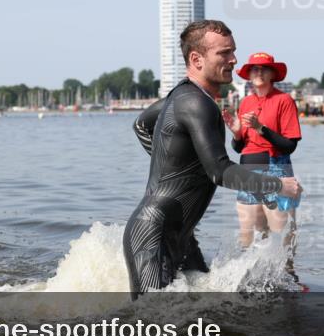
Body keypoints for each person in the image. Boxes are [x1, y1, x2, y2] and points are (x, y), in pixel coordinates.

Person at [123, 21, 302, 299]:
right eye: (224, 53)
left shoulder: (185, 97)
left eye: (233, 52)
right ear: (196, 59)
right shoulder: (194, 102)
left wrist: (179, 165)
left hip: (181, 236)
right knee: (153, 330)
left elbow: (141, 126)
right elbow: (219, 170)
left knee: (205, 319)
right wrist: (277, 186)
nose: (233, 60)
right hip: (153, 234)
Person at [224, 52, 302, 249]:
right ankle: (253, 279)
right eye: (254, 69)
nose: (258, 72)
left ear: (272, 74)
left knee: (282, 238)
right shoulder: (245, 103)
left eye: (263, 69)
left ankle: (288, 276)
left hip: (276, 169)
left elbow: (290, 146)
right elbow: (240, 148)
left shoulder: (284, 100)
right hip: (247, 172)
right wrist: (236, 134)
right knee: (248, 239)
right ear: (249, 75)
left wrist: (261, 128)